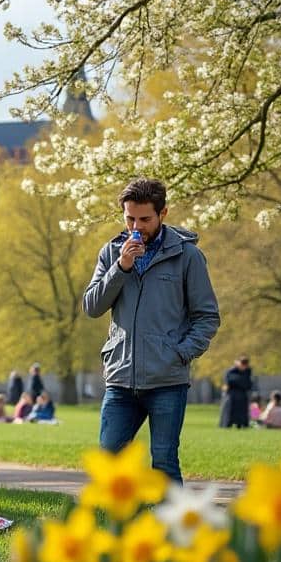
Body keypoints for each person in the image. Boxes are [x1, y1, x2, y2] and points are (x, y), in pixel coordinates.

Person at [83, 177, 220, 483]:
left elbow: (207, 316)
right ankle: (119, 526)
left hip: (167, 380)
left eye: (144, 219)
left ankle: (171, 529)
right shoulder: (111, 253)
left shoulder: (187, 257)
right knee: (109, 461)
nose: (136, 226)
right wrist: (121, 268)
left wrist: (180, 353)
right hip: (121, 379)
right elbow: (91, 306)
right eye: (129, 218)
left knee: (165, 463)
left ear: (163, 214)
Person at [218, 356, 253, 428]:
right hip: (232, 395)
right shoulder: (231, 371)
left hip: (242, 394)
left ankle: (241, 424)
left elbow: (248, 383)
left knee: (242, 412)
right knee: (229, 411)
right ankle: (227, 424)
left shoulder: (247, 371)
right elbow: (229, 381)